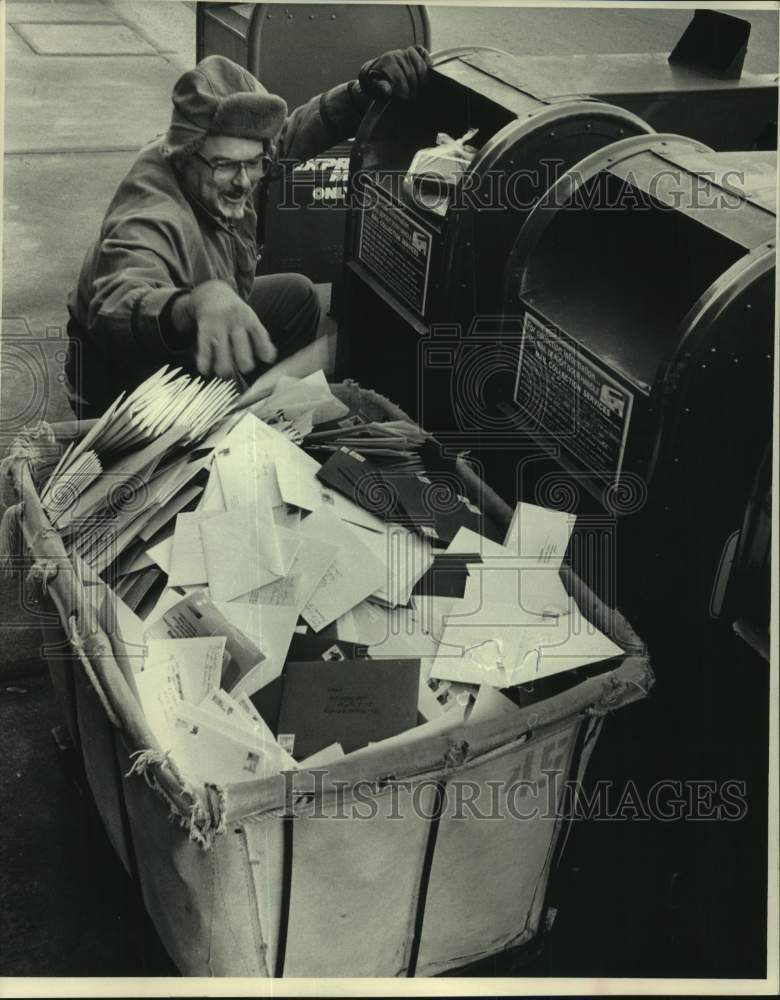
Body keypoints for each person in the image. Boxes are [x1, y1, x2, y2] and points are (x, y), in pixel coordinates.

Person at [66, 47, 431, 417]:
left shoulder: (220, 161)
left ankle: (257, 409)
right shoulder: (153, 211)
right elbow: (117, 303)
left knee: (299, 298)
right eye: (226, 166)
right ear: (184, 153)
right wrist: (194, 305)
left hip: (191, 322)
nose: (243, 182)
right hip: (122, 390)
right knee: (221, 384)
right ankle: (229, 430)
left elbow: (294, 133)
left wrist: (360, 93)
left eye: (254, 163)